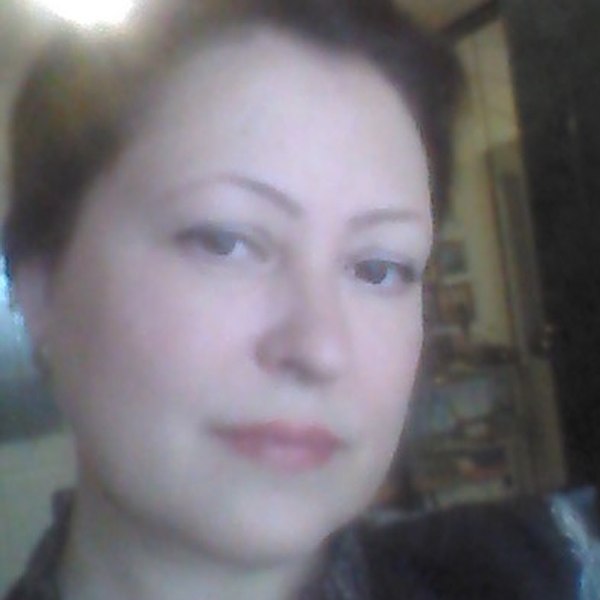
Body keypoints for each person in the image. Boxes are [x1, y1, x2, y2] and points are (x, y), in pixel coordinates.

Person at [3, 1, 569, 598]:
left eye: (379, 269)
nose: (320, 348)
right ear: (40, 283)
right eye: (224, 241)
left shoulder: (550, 568)